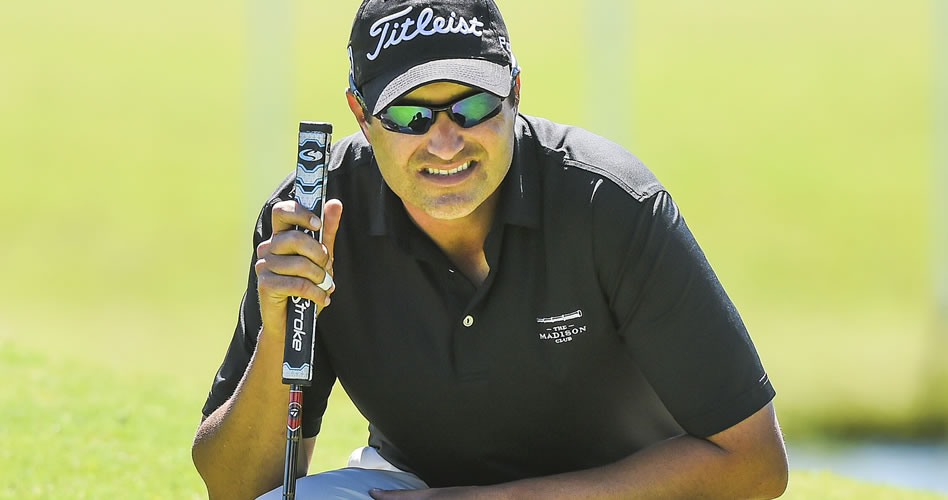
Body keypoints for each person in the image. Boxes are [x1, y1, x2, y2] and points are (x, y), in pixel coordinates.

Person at [191, 0, 790, 498]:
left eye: (473, 105)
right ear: (361, 114)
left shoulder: (611, 202)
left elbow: (755, 462)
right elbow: (237, 488)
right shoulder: (311, 215)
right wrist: (279, 333)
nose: (446, 143)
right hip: (413, 485)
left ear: (515, 92)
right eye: (409, 114)